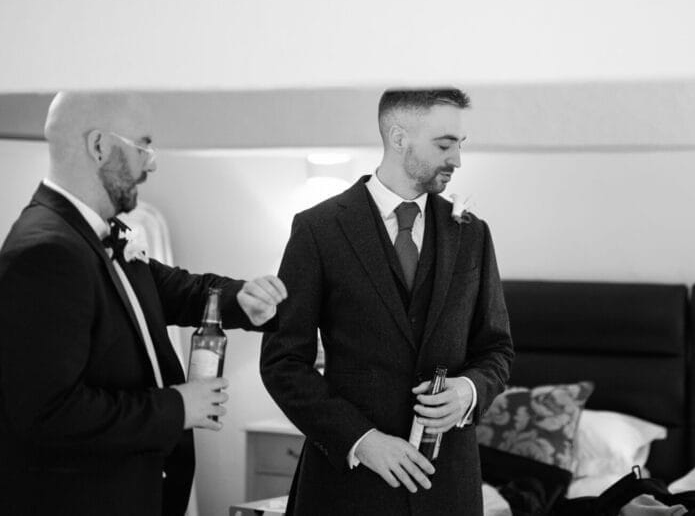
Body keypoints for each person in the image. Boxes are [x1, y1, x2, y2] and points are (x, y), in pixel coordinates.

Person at [0, 92, 288, 516]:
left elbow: (178, 290)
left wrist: (242, 300)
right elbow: (50, 413)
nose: (150, 164)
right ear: (99, 146)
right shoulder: (45, 253)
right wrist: (178, 407)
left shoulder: (95, 236)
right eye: (142, 146)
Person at [260, 87, 514, 516]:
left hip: (447, 488)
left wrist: (468, 392)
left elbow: (497, 349)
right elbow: (282, 361)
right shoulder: (318, 230)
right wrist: (362, 440)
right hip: (347, 489)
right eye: (444, 145)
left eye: (460, 144)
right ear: (398, 138)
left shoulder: (472, 234)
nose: (457, 160)